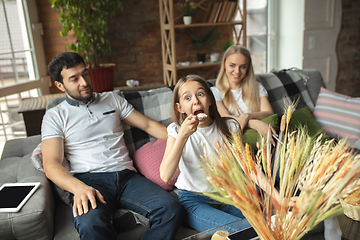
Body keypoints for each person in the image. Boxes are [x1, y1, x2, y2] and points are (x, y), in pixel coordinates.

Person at [41, 52, 183, 240]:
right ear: (60, 85)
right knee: (91, 224)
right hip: (90, 181)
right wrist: (78, 188)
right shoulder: (55, 116)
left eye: (85, 74)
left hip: (128, 178)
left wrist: (184, 138)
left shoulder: (112, 99)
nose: (84, 82)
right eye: (74, 79)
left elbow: (148, 125)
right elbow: (51, 164)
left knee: (171, 209)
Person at [159, 74, 253, 233]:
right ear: (179, 107)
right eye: (187, 98)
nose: (195, 101)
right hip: (193, 201)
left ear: (210, 100)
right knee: (239, 230)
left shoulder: (230, 127)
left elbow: (249, 167)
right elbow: (165, 175)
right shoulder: (175, 130)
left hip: (227, 196)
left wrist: (278, 197)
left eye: (200, 94)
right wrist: (183, 135)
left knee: (262, 223)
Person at [211, 45, 277, 146]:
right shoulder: (215, 91)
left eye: (243, 66)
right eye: (232, 65)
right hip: (237, 145)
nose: (237, 71)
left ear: (248, 68)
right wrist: (253, 123)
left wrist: (247, 116)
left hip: (262, 143)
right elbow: (225, 118)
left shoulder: (257, 87)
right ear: (224, 64)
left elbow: (269, 113)